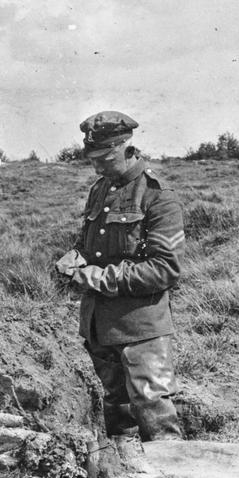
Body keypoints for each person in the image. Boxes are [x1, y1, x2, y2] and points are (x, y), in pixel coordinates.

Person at [55, 111, 185, 441]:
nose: (97, 166)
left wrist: (97, 277)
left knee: (153, 408)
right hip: (101, 325)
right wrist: (76, 257)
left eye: (105, 157)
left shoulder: (158, 197)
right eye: (92, 158)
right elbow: (95, 248)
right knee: (118, 409)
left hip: (141, 328)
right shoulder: (100, 190)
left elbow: (164, 269)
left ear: (127, 148)